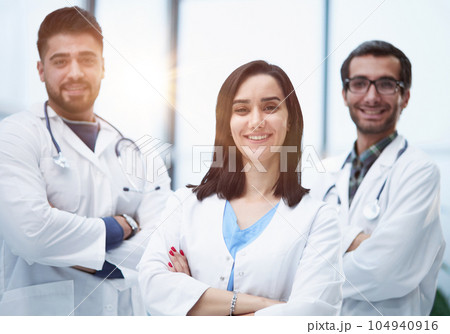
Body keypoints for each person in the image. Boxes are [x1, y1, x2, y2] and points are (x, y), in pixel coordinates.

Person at [0, 6, 171, 315]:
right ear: (41, 70)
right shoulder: (14, 136)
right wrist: (119, 228)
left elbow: (160, 249)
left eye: (87, 59)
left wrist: (62, 239)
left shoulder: (140, 152)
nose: (75, 72)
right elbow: (31, 235)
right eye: (60, 61)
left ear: (103, 66)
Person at [138, 60, 344, 316]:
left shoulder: (319, 219)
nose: (256, 121)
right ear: (227, 122)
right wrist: (268, 307)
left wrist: (192, 304)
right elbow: (152, 288)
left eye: (270, 107)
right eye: (242, 110)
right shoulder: (183, 204)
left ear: (289, 120)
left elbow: (309, 316)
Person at [305, 40, 445, 315]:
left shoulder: (419, 172)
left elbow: (384, 271)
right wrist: (356, 240)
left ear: (405, 97)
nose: (371, 97)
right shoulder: (322, 175)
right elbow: (288, 248)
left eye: (386, 84)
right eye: (359, 83)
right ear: (345, 94)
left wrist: (312, 266)